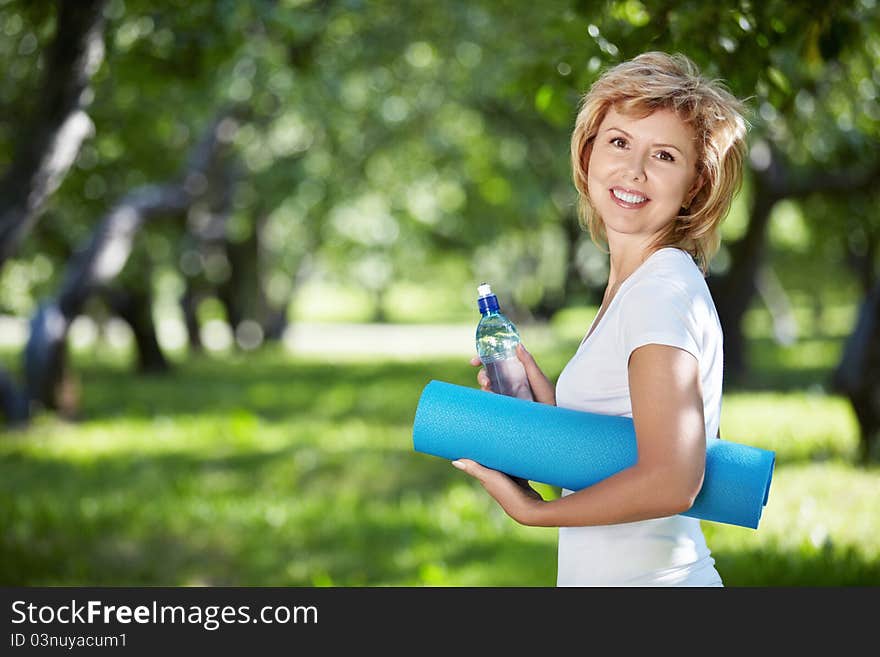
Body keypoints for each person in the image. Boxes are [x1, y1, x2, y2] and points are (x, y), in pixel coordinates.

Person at [453, 51, 749, 586]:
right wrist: (544, 402)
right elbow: (619, 445)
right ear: (589, 153)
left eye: (663, 155)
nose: (633, 170)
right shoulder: (641, 283)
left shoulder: (660, 292)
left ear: (696, 185)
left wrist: (534, 512)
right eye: (619, 142)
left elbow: (673, 479)